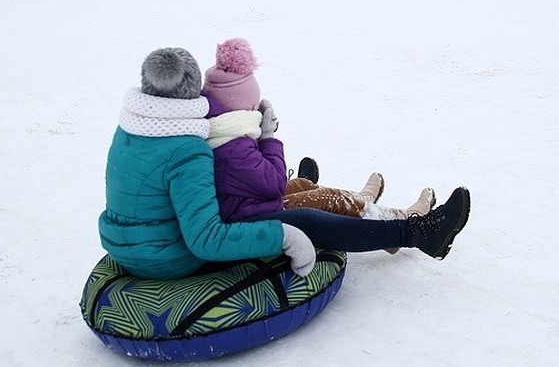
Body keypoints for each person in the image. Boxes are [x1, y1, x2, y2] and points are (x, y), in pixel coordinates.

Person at [99, 46, 472, 281]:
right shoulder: (187, 149)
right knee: (307, 221)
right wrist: (284, 236)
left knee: (297, 202)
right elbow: (206, 240)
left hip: (132, 246)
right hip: (168, 258)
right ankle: (416, 233)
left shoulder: (130, 130)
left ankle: (370, 212)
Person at [198, 38, 435, 225]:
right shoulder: (232, 145)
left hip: (243, 204)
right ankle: (403, 220)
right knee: (327, 199)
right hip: (250, 217)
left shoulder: (221, 128)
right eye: (252, 107)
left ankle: (361, 203)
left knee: (303, 185)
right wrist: (267, 137)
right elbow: (275, 183)